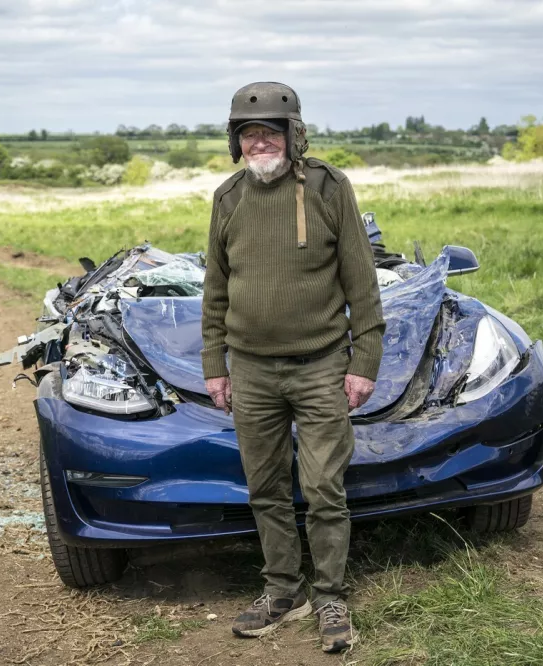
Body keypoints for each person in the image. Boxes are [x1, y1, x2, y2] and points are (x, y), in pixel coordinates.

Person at [200, 82, 385, 654]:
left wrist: (365, 360)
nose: (259, 143)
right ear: (236, 141)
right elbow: (215, 290)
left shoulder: (330, 189)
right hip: (251, 371)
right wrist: (215, 363)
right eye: (248, 134)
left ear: (294, 135)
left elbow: (361, 281)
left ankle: (330, 594)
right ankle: (283, 590)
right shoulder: (228, 198)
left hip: (321, 366)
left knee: (325, 487)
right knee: (265, 488)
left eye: (269, 132)